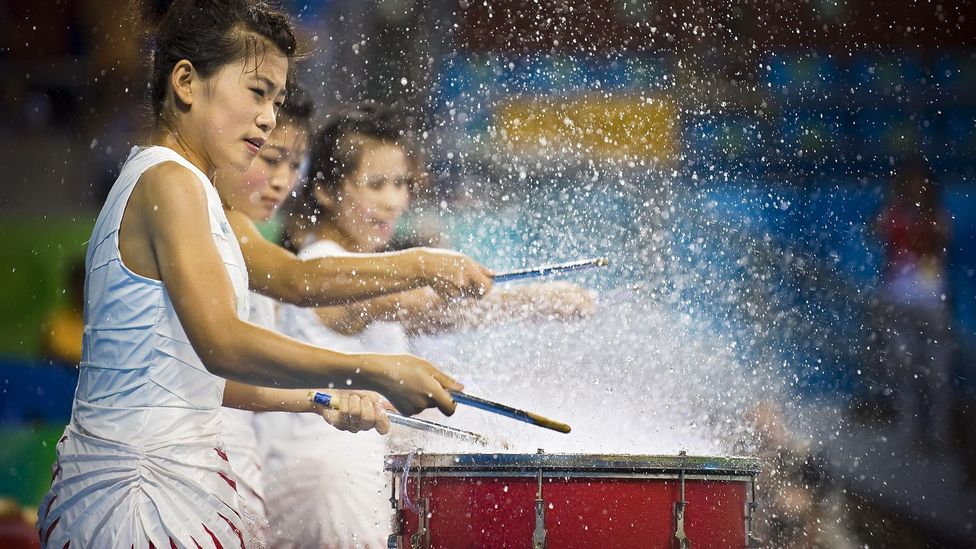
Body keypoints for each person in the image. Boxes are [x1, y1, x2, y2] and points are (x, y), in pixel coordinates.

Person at [38, 3, 487, 547]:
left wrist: (322, 397)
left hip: (163, 482)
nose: (270, 116)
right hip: (140, 496)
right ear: (186, 83)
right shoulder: (170, 182)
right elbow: (225, 341)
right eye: (257, 92)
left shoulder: (184, 187)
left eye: (275, 99)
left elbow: (204, 376)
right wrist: (374, 367)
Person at [260, 103, 595, 547]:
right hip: (323, 481)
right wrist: (535, 301)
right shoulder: (324, 265)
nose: (393, 200)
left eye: (401, 183)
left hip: (341, 470)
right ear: (324, 191)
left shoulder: (356, 264)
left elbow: (423, 314)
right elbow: (418, 305)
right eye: (376, 184)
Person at [872, 159, 953, 449]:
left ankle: (939, 435)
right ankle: (909, 434)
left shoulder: (935, 215)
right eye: (911, 184)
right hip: (899, 296)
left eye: (921, 184)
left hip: (930, 298)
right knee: (904, 368)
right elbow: (875, 230)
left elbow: (943, 240)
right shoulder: (894, 213)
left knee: (937, 373)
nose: (916, 190)